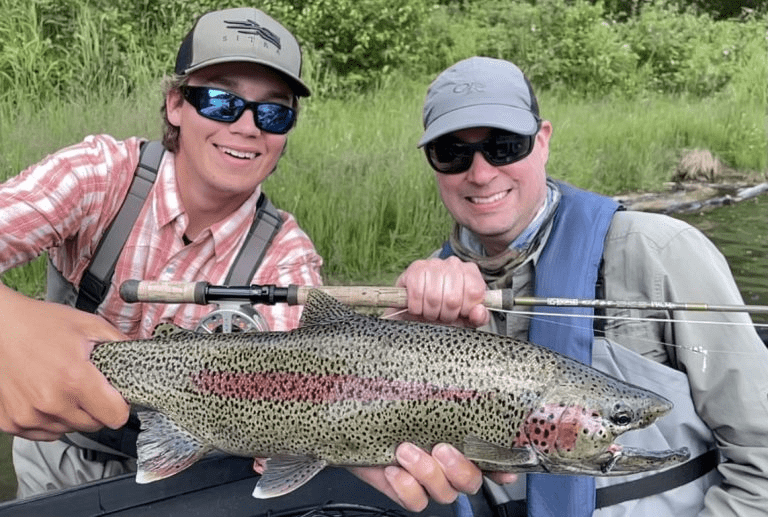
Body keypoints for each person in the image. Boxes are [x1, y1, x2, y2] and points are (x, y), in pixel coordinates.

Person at [0, 8, 493, 510]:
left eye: (273, 112)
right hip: (56, 448)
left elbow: (300, 395)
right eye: (220, 101)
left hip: (187, 469)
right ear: (175, 104)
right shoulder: (100, 177)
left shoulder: (288, 259)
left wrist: (383, 396)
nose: (247, 126)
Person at [391, 56, 768, 517]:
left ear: (543, 141)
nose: (481, 172)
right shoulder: (422, 300)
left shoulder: (660, 251)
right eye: (452, 152)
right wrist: (404, 336)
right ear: (432, 164)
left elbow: (762, 460)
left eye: (505, 145)